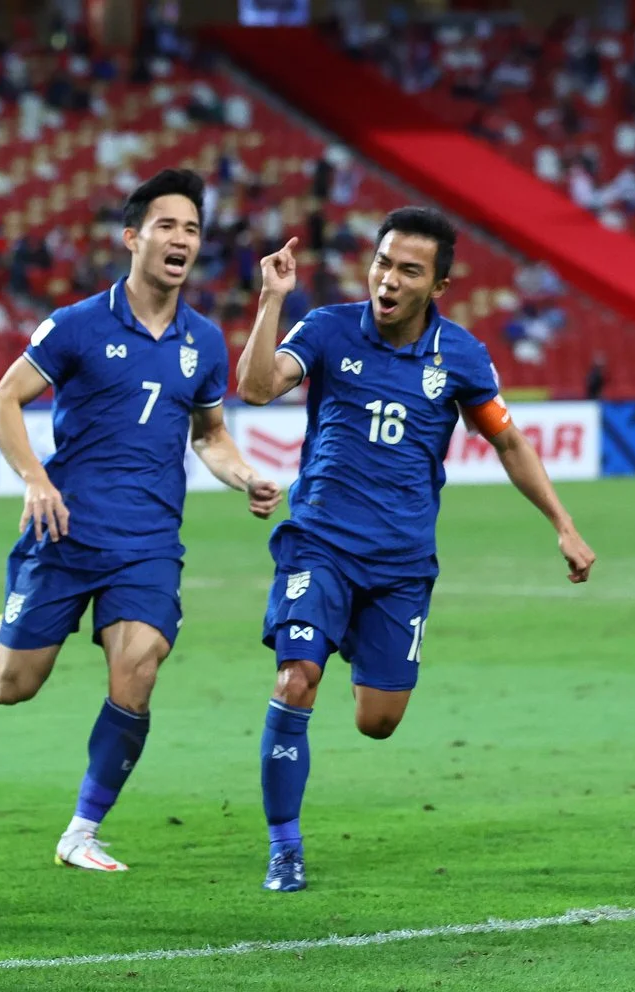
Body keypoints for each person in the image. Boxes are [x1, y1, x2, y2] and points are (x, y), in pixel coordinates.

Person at [237, 208, 596, 893]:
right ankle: (285, 847)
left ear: (438, 286)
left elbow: (508, 441)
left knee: (378, 721)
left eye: (409, 270)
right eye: (383, 262)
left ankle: (346, 637)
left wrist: (564, 524)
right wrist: (272, 300)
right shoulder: (327, 329)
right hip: (320, 544)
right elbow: (255, 389)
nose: (389, 279)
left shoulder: (460, 355)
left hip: (401, 565)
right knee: (295, 680)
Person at [0, 169, 284, 872]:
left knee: (138, 668)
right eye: (167, 226)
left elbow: (210, 435)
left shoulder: (204, 342)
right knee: (13, 686)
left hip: (149, 543)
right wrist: (36, 480)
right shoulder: (77, 325)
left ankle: (82, 830)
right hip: (66, 531)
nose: (181, 239)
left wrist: (245, 474)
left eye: (192, 229)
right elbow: (2, 400)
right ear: (133, 237)